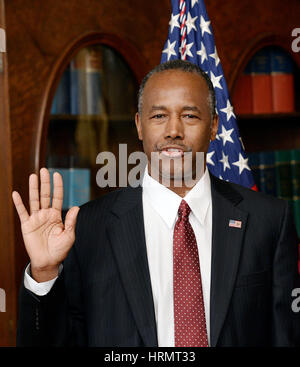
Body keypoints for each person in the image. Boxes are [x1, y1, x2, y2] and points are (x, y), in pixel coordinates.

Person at [13, 60, 300, 347]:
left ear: (213, 126)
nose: (173, 131)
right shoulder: (87, 228)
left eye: (189, 116)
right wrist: (44, 274)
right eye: (159, 116)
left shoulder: (269, 220)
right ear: (139, 125)